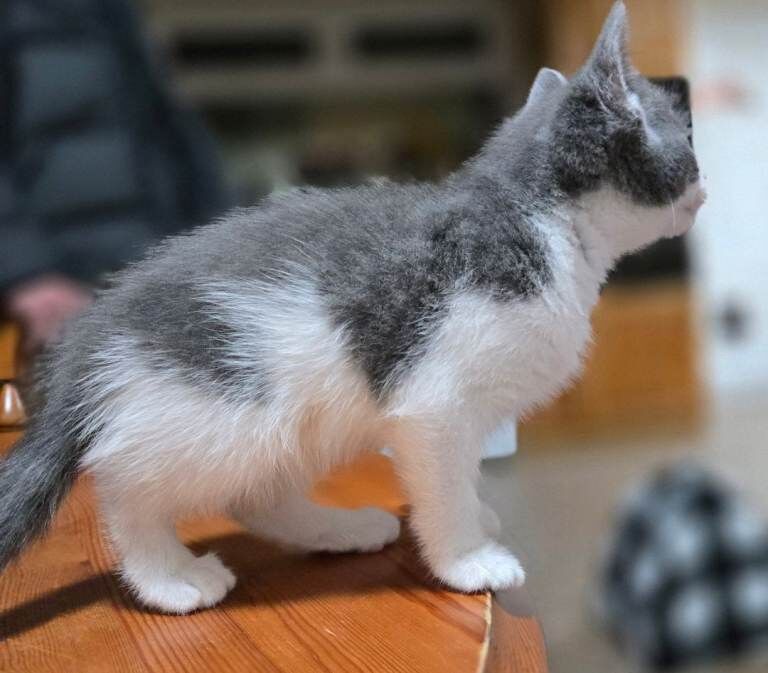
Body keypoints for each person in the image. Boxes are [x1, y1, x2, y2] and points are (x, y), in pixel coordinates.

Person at [0, 0, 229, 353]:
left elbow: (168, 139)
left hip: (137, 285)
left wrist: (217, 248)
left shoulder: (108, 11)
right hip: (49, 305)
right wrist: (25, 272)